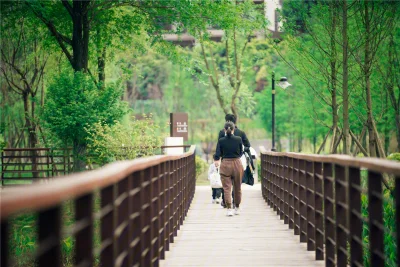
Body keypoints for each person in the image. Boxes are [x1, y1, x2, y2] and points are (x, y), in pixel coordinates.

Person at [214, 114, 251, 208]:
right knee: (237, 185)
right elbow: (247, 146)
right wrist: (241, 151)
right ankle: (236, 204)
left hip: (225, 161)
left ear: (226, 121)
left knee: (226, 185)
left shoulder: (222, 133)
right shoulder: (241, 134)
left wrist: (217, 158)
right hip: (238, 161)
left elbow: (219, 147)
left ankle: (226, 203)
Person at [214, 121, 244, 216]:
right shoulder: (238, 139)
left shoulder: (221, 140)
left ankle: (229, 209)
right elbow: (241, 152)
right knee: (237, 187)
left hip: (225, 164)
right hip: (237, 163)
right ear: (233, 129)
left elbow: (217, 154)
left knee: (227, 188)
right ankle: (237, 207)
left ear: (224, 130)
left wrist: (217, 160)